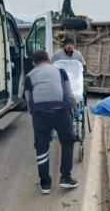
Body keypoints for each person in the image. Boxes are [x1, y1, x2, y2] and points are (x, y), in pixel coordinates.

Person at [25, 50, 78, 194]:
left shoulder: (29, 76)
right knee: (67, 142)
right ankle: (66, 178)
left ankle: (45, 184)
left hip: (40, 114)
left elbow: (29, 102)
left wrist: (36, 117)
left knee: (41, 146)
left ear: (34, 63)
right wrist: (74, 110)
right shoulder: (60, 71)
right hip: (61, 111)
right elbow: (69, 94)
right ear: (49, 60)